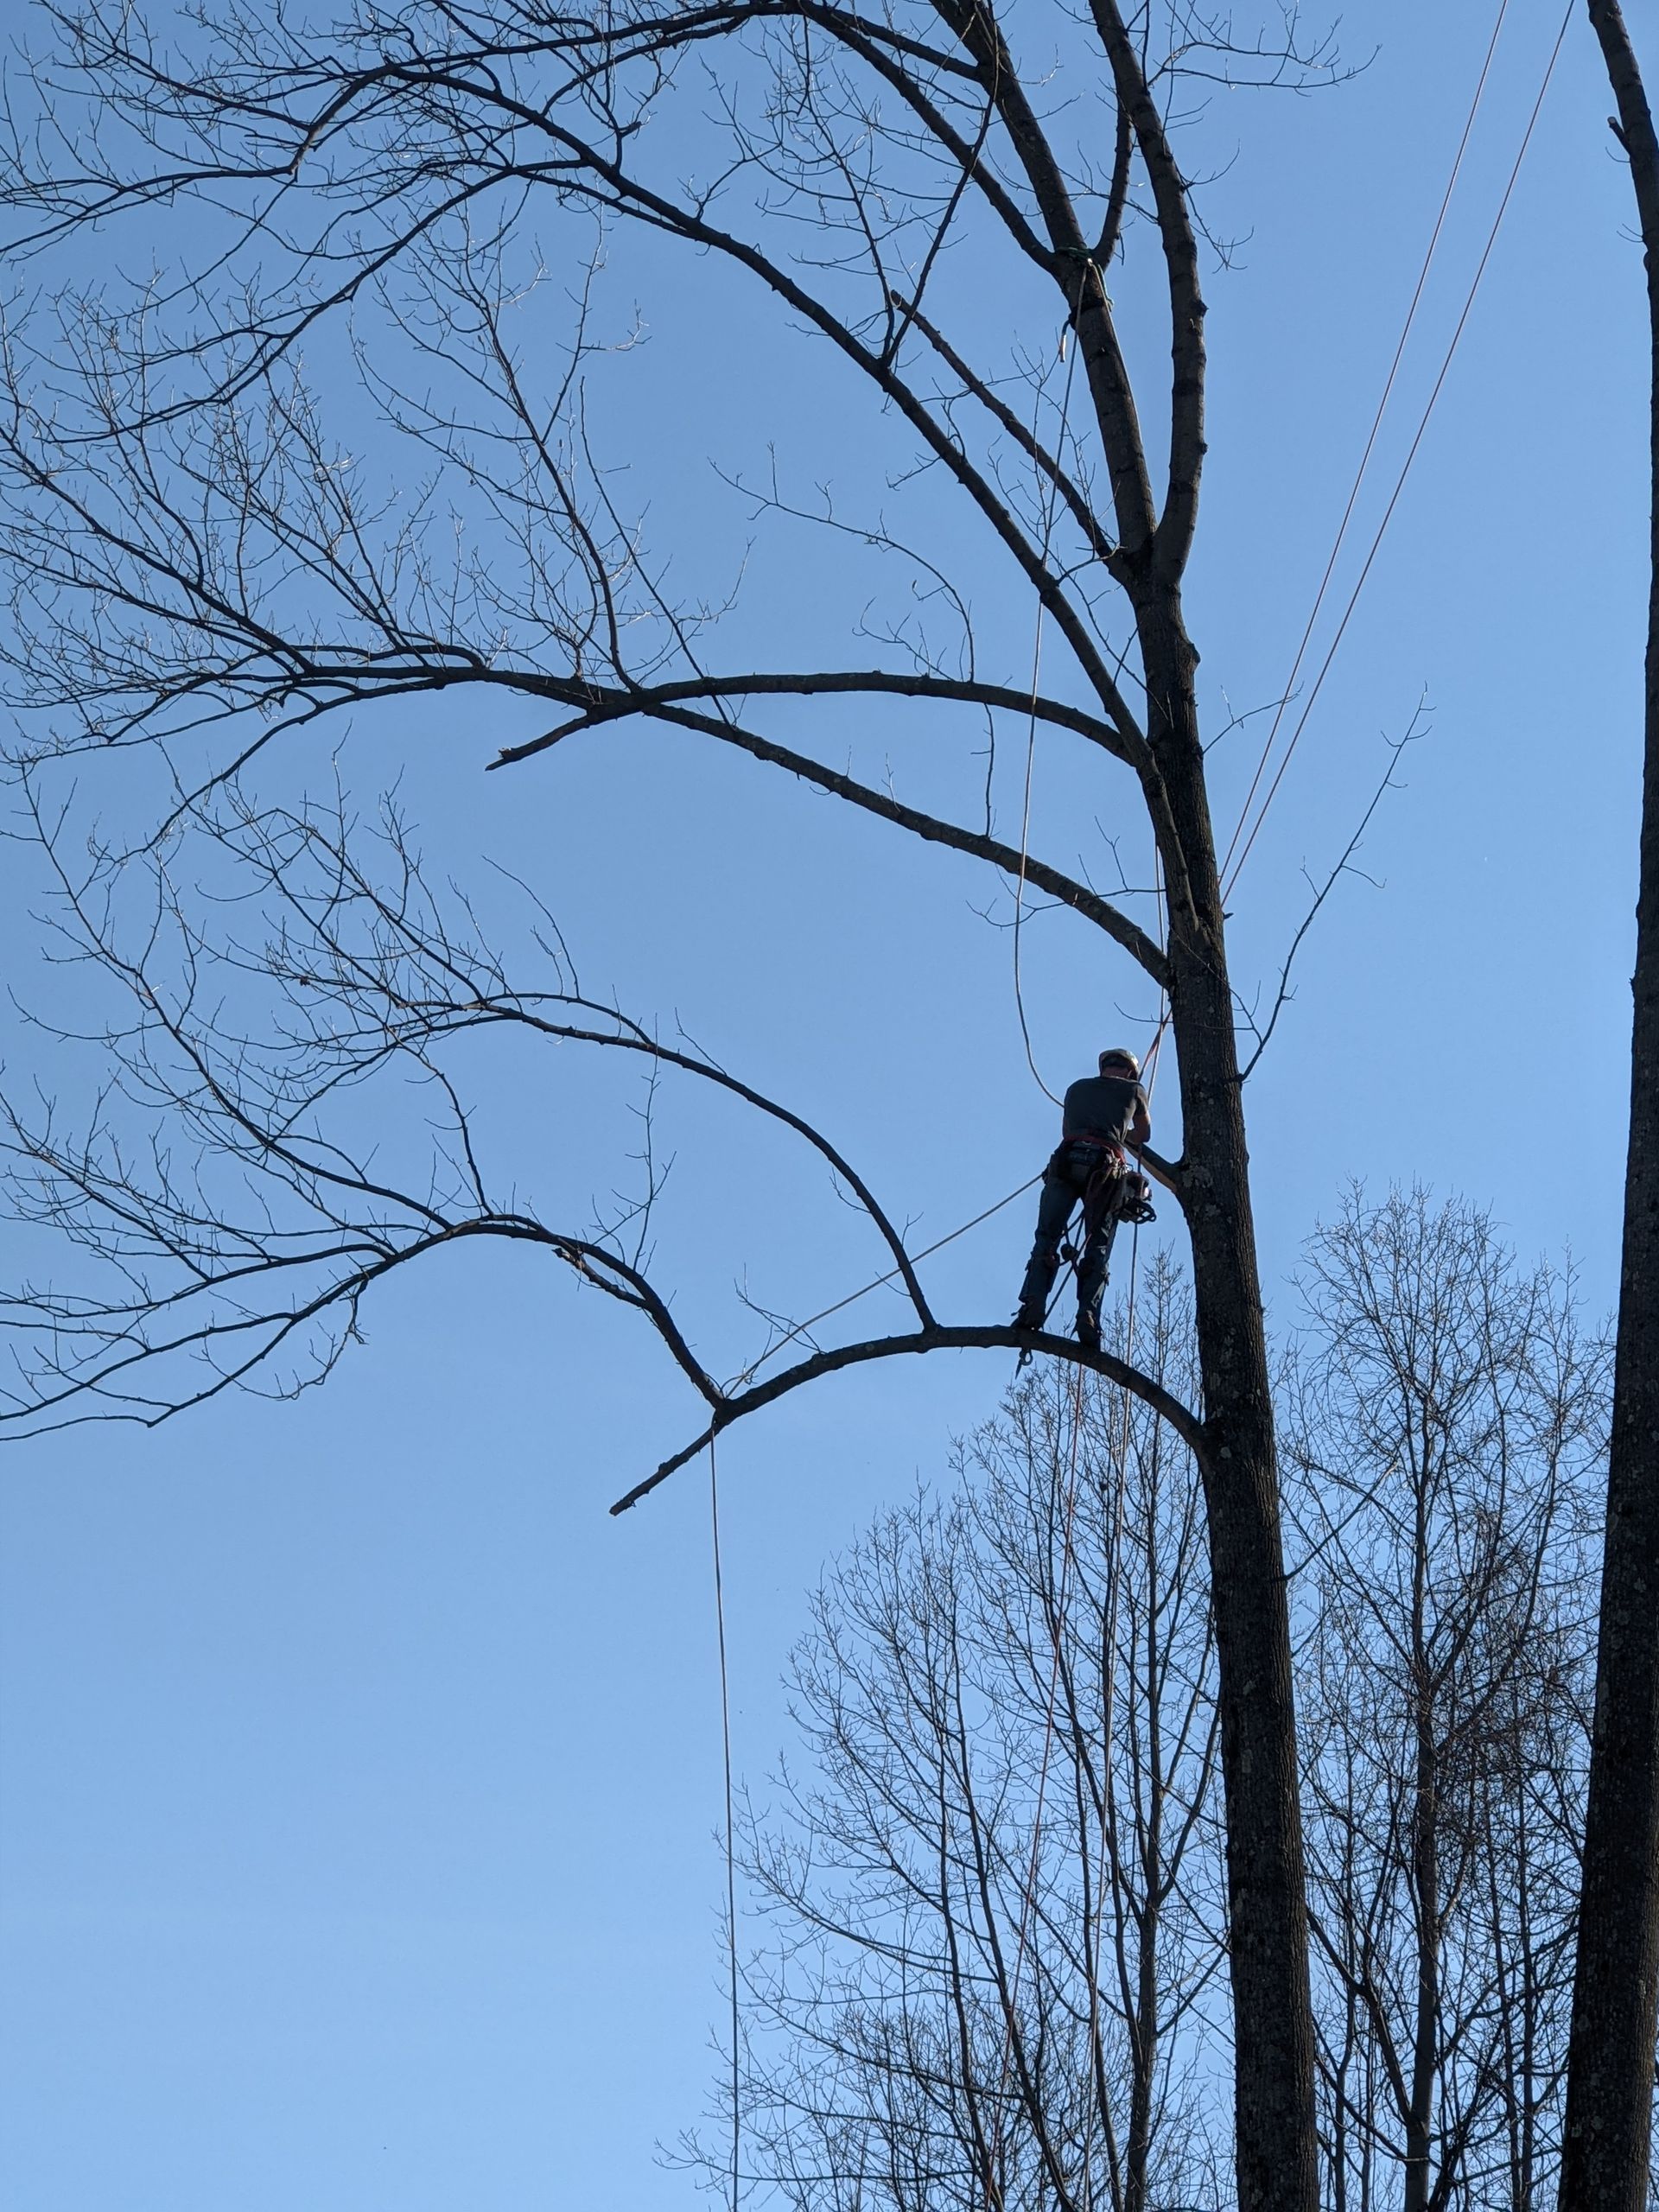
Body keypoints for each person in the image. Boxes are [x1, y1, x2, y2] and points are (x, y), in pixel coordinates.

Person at [1014, 1047, 1154, 1352]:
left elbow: (1068, 1131)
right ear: (1131, 1071)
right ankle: (1088, 1316)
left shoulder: (1076, 1089)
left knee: (1047, 1238)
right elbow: (1143, 1134)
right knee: (1097, 1245)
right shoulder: (1135, 1090)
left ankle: (1033, 1303)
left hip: (1065, 1161)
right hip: (1105, 1166)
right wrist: (1118, 1130)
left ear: (1104, 1067)